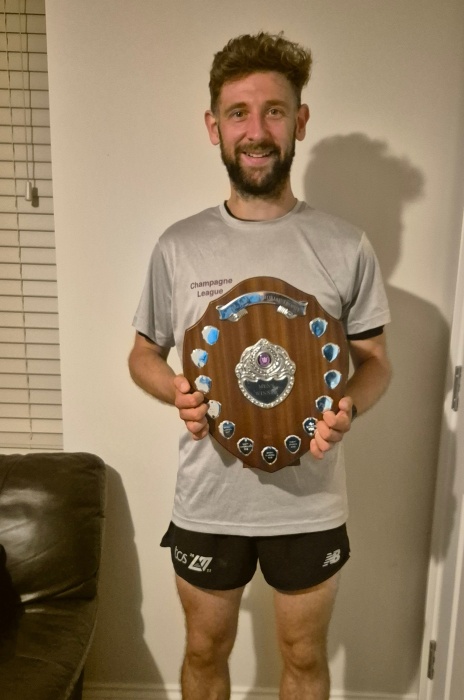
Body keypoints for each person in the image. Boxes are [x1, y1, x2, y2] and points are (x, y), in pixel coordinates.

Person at [128, 31, 392, 700]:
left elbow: (375, 363)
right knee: (203, 649)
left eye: (274, 110)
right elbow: (142, 355)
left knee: (304, 659)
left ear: (300, 121)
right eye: (239, 113)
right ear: (213, 126)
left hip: (309, 503)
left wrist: (349, 406)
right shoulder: (178, 246)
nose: (257, 130)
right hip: (209, 498)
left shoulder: (345, 244)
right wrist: (176, 392)